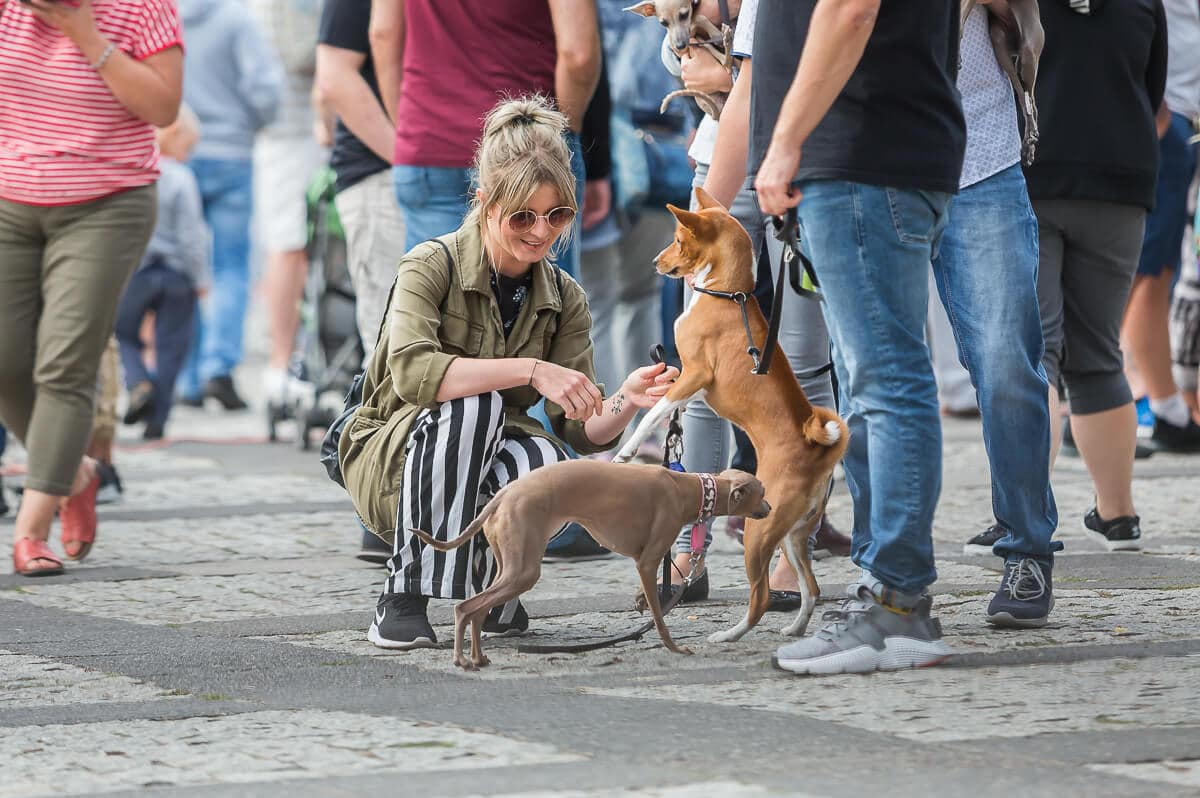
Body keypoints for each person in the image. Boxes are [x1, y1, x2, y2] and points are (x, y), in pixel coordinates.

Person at [339, 97, 679, 649]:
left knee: (544, 458)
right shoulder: (431, 264)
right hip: (397, 455)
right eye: (523, 215)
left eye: (557, 215)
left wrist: (626, 399)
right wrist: (531, 369)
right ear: (484, 202)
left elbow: (578, 429)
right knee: (477, 405)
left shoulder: (565, 296)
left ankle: (496, 589)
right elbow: (411, 374)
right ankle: (404, 594)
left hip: (486, 452)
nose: (541, 232)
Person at [753, 0, 966, 674]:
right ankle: (894, 600)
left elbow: (851, 8)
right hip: (865, 158)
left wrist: (787, 143)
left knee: (885, 381)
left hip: (862, 158)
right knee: (872, 383)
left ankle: (895, 601)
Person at [1, 0, 183, 576]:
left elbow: (163, 106)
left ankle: (31, 528)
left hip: (106, 203)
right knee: (5, 359)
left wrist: (82, 32)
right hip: (11, 199)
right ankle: (75, 472)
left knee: (64, 363)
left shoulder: (140, 7)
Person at [893, 3, 1060, 627]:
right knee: (874, 377)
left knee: (1005, 366)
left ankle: (1028, 547)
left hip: (980, 152)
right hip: (875, 165)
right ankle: (882, 570)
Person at [1025, 0, 1167, 553]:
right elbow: (1152, 88)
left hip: (1033, 170)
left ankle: (1023, 516)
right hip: (1120, 175)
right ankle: (1118, 515)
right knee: (1099, 352)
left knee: (1035, 354)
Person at [368, 0, 600, 278]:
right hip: (530, 153)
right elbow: (578, 54)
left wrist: (414, 126)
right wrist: (561, 138)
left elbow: (383, 32)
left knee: (437, 309)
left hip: (430, 144)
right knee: (536, 314)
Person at [314, 0, 409, 564]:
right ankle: (380, 512)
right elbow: (335, 75)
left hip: (417, 171)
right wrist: (408, 154)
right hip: (382, 175)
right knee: (393, 352)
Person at [177, 0, 282, 411]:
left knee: (182, 266)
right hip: (231, 155)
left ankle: (185, 377)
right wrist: (251, 124)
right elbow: (264, 88)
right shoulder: (237, 18)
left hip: (175, 152)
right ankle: (218, 367)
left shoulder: (162, 12)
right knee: (231, 266)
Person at [1121, 0, 1200, 453]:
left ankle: (1163, 401)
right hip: (1162, 118)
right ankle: (1105, 399)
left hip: (1178, 120)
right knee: (1142, 268)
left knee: (1159, 269)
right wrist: (1153, 108)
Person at [251, 0, 330, 412]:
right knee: (290, 245)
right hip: (290, 133)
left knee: (310, 247)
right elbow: (298, 55)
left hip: (313, 131)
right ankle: (281, 365)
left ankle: (300, 358)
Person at [116, 107, 212, 441]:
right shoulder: (182, 178)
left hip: (137, 273)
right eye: (188, 148)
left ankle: (138, 380)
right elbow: (192, 236)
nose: (188, 156)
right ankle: (158, 419)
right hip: (176, 276)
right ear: (173, 137)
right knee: (172, 346)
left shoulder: (136, 170)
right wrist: (200, 279)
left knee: (124, 333)